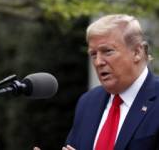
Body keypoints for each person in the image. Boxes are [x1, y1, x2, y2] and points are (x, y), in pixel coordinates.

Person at [34, 14, 159, 150]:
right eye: (93, 54)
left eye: (107, 51)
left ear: (137, 52)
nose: (98, 62)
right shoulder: (88, 102)